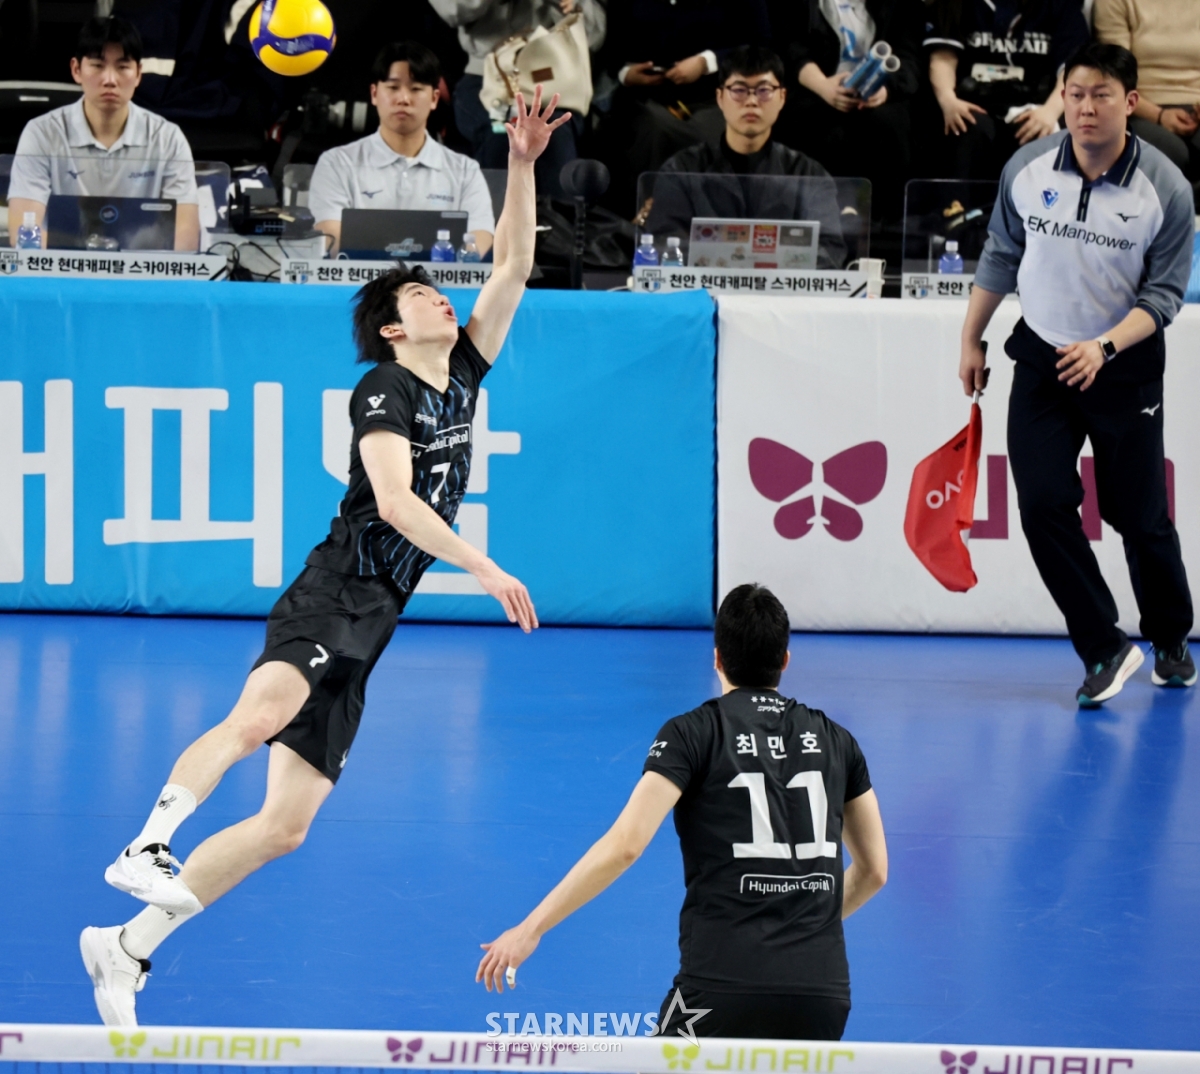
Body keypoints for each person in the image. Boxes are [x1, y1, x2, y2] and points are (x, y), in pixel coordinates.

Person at [78, 87, 569, 1028]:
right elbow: (394, 504)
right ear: (393, 325)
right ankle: (150, 841)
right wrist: (485, 564)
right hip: (334, 588)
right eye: (422, 292)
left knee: (285, 826)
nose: (443, 292)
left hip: (375, 617)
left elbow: (515, 259)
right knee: (259, 714)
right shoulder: (383, 387)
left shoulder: (462, 372)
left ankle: (126, 946)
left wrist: (520, 163)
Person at [476, 583, 887, 1042]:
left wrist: (531, 929)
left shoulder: (692, 733)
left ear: (717, 659)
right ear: (785, 660)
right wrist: (801, 922)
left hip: (720, 984)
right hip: (822, 991)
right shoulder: (837, 740)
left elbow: (625, 845)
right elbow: (874, 871)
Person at [958, 42, 1196, 707]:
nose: (1086, 107)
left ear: (1132, 102)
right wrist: (970, 338)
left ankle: (1172, 637)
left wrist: (1106, 349)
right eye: (1075, 93)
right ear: (1061, 98)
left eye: (1101, 95)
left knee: (1139, 517)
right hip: (1042, 356)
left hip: (1124, 369)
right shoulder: (1027, 169)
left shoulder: (1166, 189)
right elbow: (1001, 253)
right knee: (1040, 505)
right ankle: (1103, 646)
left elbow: (1164, 298)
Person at [7, 16, 199, 253]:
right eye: (98, 66)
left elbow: (185, 238)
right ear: (76, 70)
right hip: (61, 276)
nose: (110, 80)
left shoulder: (168, 139)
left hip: (141, 276)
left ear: (138, 73)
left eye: (122, 67)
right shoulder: (41, 134)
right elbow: (24, 232)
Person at [643, 47, 847, 269]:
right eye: (739, 90)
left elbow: (830, 249)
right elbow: (665, 241)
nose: (751, 101)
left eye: (764, 90)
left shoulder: (808, 174)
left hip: (781, 298)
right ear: (720, 98)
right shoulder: (682, 170)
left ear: (782, 97)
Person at [308, 42, 497, 257]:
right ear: (374, 94)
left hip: (439, 289)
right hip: (360, 288)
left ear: (434, 98)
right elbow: (330, 234)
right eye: (393, 87)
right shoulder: (336, 163)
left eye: (416, 89)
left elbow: (480, 235)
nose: (403, 99)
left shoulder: (465, 170)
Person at [597, 0, 770, 205]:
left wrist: (706, 62)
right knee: (650, 128)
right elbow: (611, 49)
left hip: (716, 95)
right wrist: (626, 74)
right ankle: (645, 220)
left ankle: (703, 222)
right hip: (646, 97)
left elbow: (760, 45)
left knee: (714, 135)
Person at [429, 0, 604, 198]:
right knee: (503, 132)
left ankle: (561, 224)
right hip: (486, 77)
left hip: (551, 79)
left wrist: (575, 4)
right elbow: (453, 10)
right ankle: (496, 222)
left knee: (555, 132)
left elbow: (595, 35)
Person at [773, 0, 924, 220]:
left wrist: (885, 89)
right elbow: (790, 48)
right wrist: (824, 86)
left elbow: (909, 60)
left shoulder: (899, 6)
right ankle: (814, 222)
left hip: (878, 95)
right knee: (812, 122)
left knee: (889, 125)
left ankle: (883, 226)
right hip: (816, 88)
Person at [924, 0, 1089, 180]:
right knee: (965, 128)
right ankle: (958, 206)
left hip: (1035, 104)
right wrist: (948, 100)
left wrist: (1050, 112)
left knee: (1036, 133)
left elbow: (1073, 70)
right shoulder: (956, 5)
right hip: (972, 102)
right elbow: (942, 60)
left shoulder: (1061, 7)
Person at [1093, 0, 1200, 183]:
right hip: (1138, 108)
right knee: (1171, 152)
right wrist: (1159, 115)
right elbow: (1115, 77)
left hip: (1195, 104)